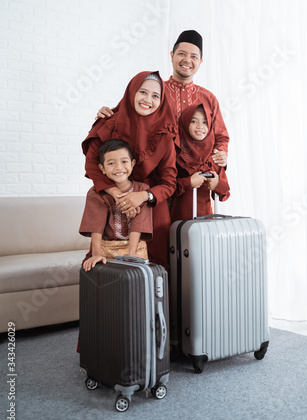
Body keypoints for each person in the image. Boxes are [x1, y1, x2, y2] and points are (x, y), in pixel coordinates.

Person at [82, 71, 178, 270]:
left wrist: (141, 196)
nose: (148, 100)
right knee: (104, 265)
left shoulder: (164, 134)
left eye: (155, 96)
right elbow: (92, 164)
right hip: (110, 198)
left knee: (154, 269)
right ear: (132, 92)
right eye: (143, 92)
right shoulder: (108, 122)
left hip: (151, 205)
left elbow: (169, 183)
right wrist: (119, 195)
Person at [95, 30, 229, 168]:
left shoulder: (209, 98)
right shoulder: (155, 91)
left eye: (194, 57)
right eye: (181, 54)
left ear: (200, 62)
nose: (187, 60)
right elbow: (126, 113)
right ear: (172, 56)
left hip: (198, 174)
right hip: (158, 170)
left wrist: (222, 153)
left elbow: (221, 136)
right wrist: (106, 115)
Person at [80, 139, 153, 271]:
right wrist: (96, 254)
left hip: (135, 248)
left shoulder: (142, 190)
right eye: (111, 163)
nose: (119, 168)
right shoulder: (96, 193)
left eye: (124, 161)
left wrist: (132, 252)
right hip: (106, 250)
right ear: (102, 169)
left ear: (133, 163)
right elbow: (96, 224)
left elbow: (139, 222)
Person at [171, 102, 230, 223]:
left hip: (206, 221)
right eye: (193, 121)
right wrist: (189, 182)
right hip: (178, 222)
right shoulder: (176, 154)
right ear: (185, 123)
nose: (200, 126)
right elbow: (167, 187)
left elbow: (225, 194)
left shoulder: (213, 157)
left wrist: (217, 184)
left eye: (204, 122)